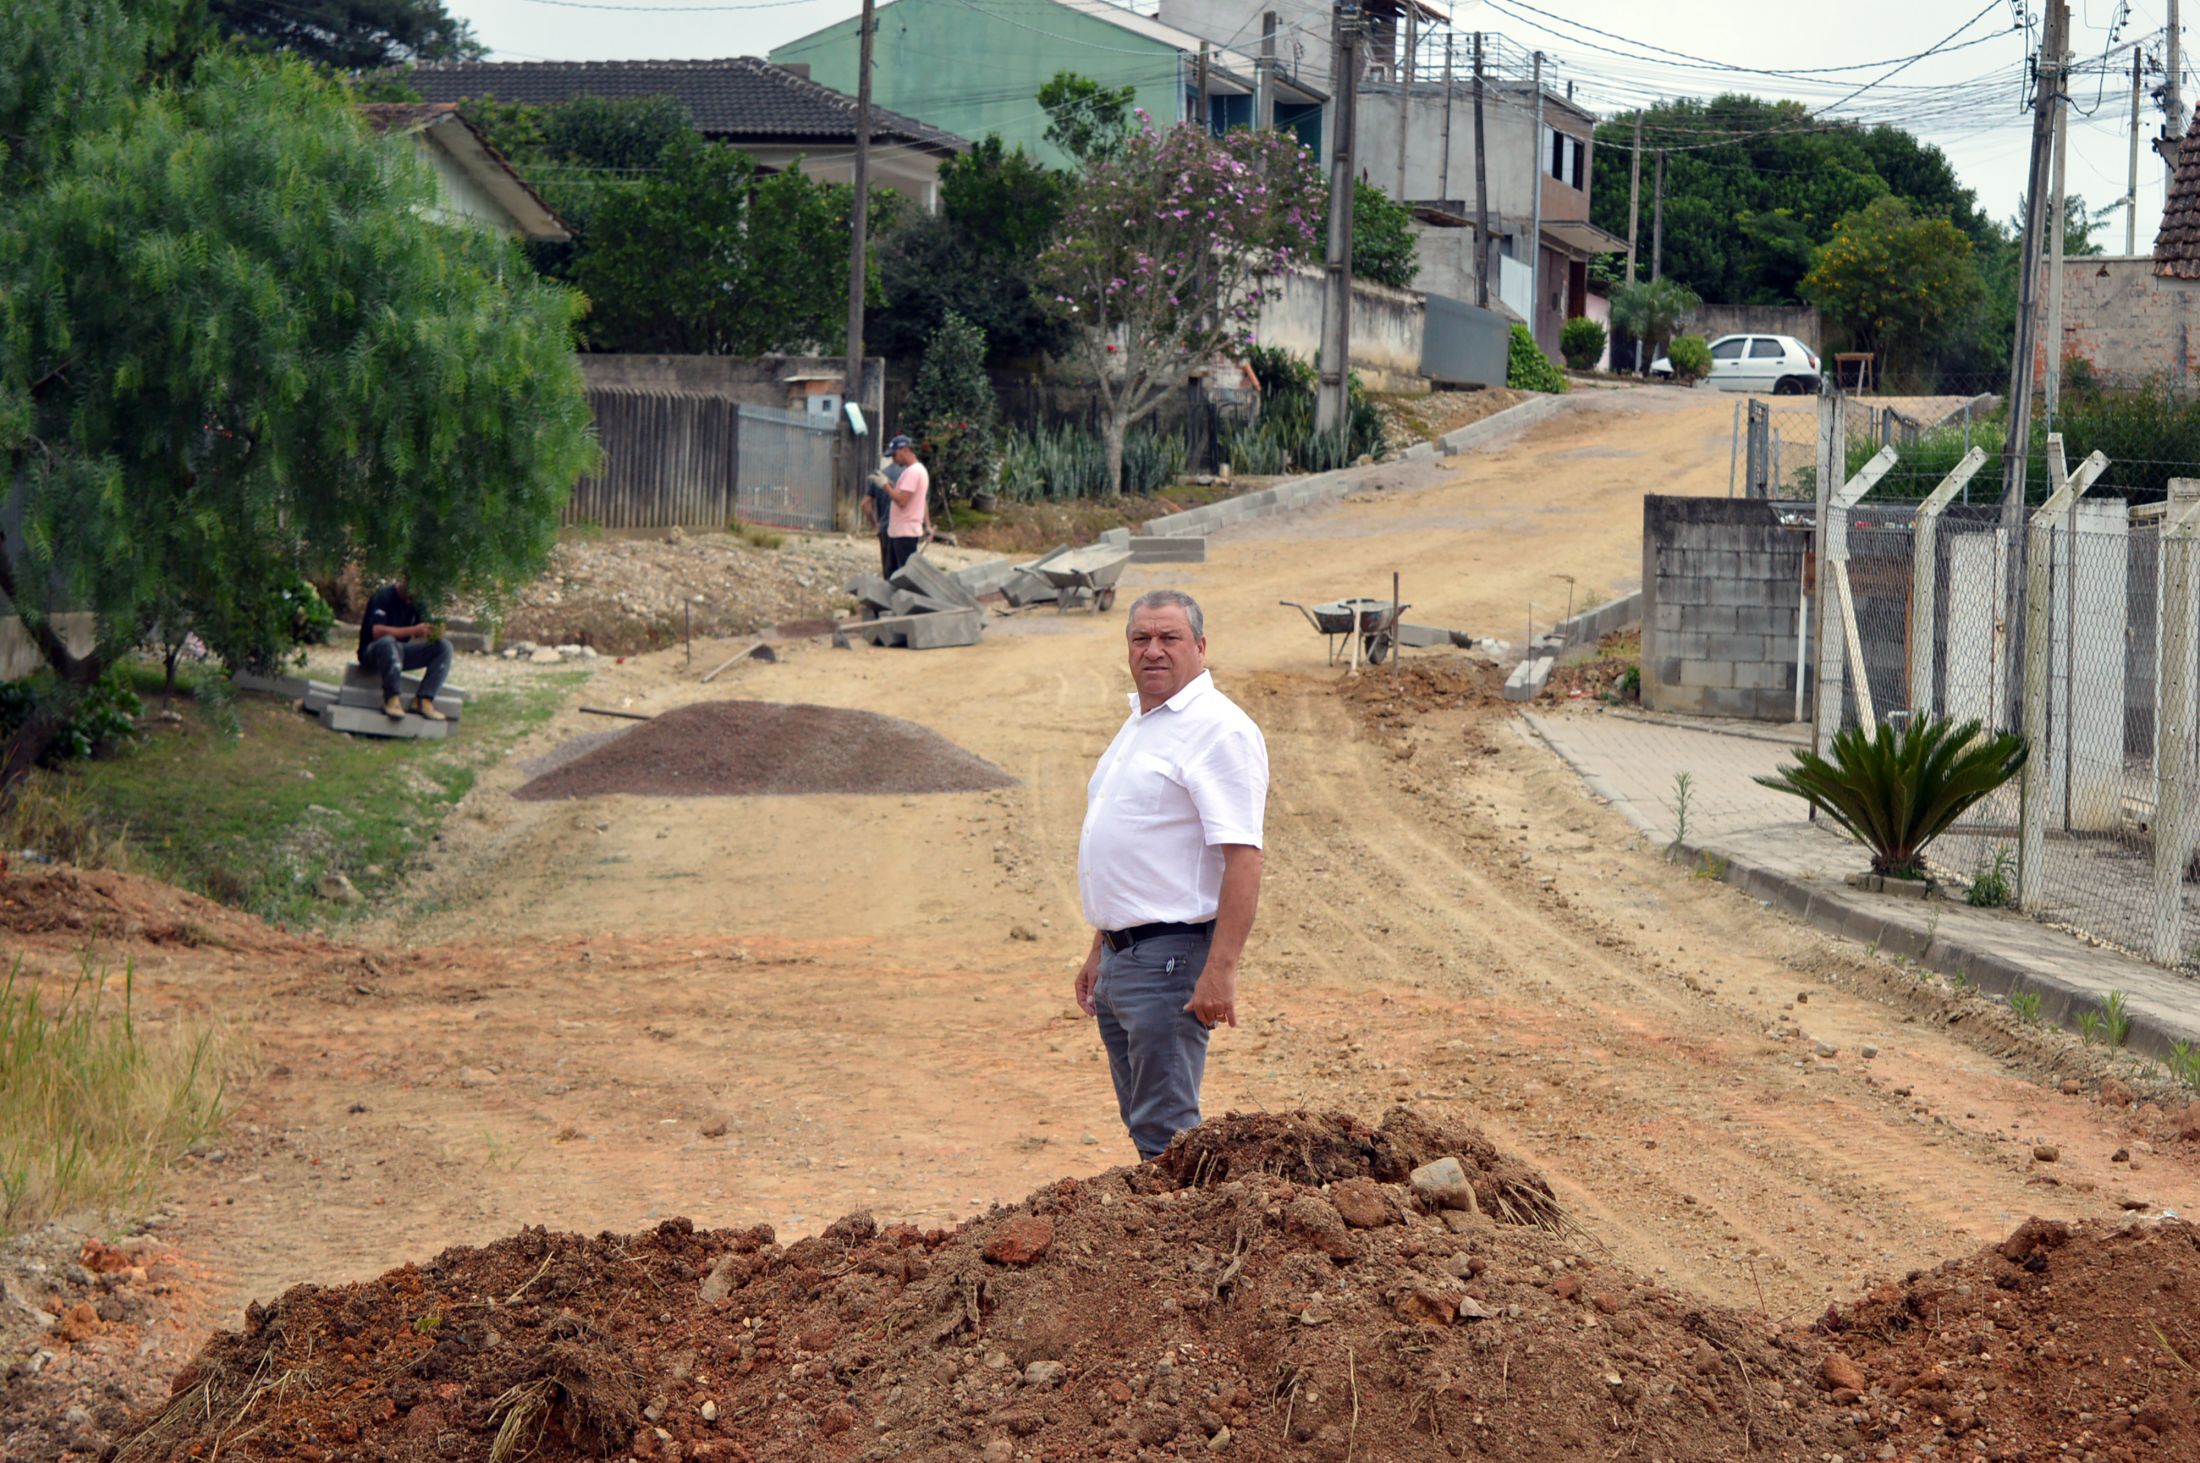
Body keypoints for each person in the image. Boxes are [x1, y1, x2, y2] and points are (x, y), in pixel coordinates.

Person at [1074, 589, 1268, 1160]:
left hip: (1170, 961)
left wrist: (1220, 972)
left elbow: (1244, 858)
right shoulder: (1141, 722)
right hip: (1123, 958)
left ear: (1201, 648)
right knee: (1145, 1125)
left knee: (1168, 1137)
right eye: (1141, 639)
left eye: (1169, 638)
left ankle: (1191, 1242)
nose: (1153, 651)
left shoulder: (1219, 730)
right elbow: (1139, 853)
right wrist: (1099, 948)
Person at [357, 578, 454, 721]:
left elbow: (423, 627)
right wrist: (413, 630)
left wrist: (433, 631)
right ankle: (391, 699)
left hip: (399, 653)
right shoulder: (383, 596)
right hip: (373, 652)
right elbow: (376, 631)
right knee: (388, 642)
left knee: (444, 647)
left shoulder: (417, 601)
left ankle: (424, 699)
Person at [881, 434, 930, 576]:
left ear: (904, 450)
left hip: (905, 533)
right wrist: (892, 486)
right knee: (892, 574)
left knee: (901, 576)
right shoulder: (917, 470)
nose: (893, 459)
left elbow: (902, 501)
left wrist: (885, 486)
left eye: (894, 454)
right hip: (901, 532)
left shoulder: (913, 472)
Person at [863, 460, 901, 576]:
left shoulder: (879, 475)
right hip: (904, 529)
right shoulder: (909, 474)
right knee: (904, 571)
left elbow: (865, 504)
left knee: (888, 571)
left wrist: (875, 524)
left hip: (885, 528)